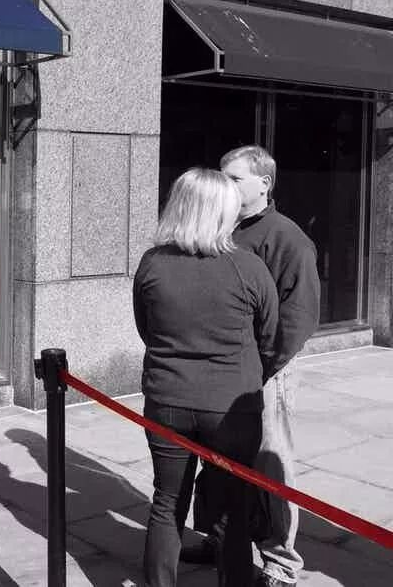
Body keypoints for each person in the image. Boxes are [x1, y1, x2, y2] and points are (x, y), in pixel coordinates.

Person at [182, 146, 321, 587]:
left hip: (262, 375)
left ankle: (281, 562)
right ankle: (220, 539)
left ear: (264, 183)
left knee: (268, 465)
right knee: (215, 459)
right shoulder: (219, 227)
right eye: (222, 176)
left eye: (235, 178)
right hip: (219, 369)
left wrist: (261, 370)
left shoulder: (287, 239)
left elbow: (298, 318)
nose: (225, 184)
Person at [134, 168, 279, 587]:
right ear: (225, 213)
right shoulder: (247, 266)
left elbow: (146, 328)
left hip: (167, 399)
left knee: (167, 502)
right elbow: (270, 338)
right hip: (230, 407)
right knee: (233, 507)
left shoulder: (153, 263)